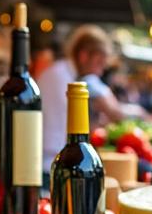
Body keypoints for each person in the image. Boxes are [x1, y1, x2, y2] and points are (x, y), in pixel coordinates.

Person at [39, 25, 123, 164]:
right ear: (84, 56)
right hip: (49, 163)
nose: (100, 72)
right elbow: (64, 131)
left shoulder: (64, 73)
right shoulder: (60, 77)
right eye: (99, 63)